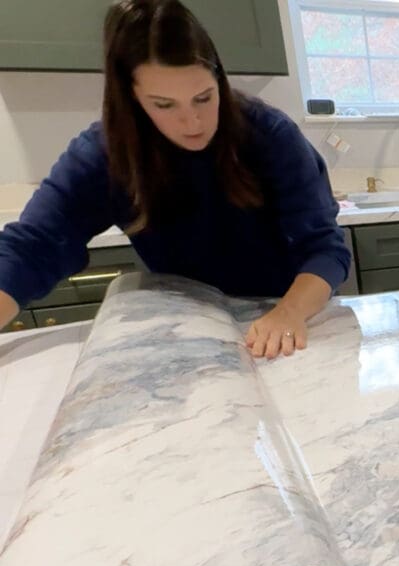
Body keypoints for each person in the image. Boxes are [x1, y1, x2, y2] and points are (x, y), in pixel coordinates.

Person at [0, 0, 350, 359]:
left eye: (203, 98)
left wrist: (289, 314)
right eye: (164, 105)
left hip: (289, 316)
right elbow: (32, 248)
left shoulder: (270, 136)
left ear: (219, 79)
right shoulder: (104, 155)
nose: (192, 122)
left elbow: (325, 250)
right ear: (131, 99)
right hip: (192, 325)